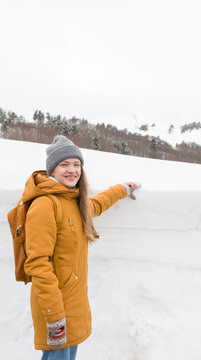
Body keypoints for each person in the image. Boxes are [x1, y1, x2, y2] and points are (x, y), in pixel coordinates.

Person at [21, 135, 141, 360]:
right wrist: (55, 318)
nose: (72, 170)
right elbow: (38, 264)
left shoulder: (72, 200)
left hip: (73, 305)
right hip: (55, 310)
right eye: (64, 164)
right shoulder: (45, 204)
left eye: (77, 165)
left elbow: (95, 204)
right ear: (52, 171)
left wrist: (123, 189)